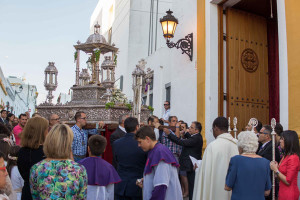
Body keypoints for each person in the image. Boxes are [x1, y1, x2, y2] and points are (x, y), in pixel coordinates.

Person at [30, 124, 88, 199]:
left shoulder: (36, 168)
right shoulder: (79, 169)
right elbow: (81, 197)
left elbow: (35, 196)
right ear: (69, 143)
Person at [193, 117, 239, 200]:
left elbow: (206, 172)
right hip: (233, 189)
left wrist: (198, 169)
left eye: (212, 130)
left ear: (216, 128)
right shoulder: (236, 145)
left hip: (216, 189)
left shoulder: (213, 146)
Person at [135, 126, 182, 200]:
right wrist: (147, 181)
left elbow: (161, 185)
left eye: (140, 142)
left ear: (147, 139)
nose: (139, 145)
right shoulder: (155, 150)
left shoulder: (160, 153)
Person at [225, 131, 271, 200]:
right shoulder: (265, 162)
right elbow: (267, 192)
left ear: (241, 146)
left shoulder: (236, 160)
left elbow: (228, 187)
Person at [166, 121, 203, 200]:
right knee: (191, 184)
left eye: (191, 128)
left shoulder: (196, 138)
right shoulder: (195, 136)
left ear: (197, 130)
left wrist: (169, 134)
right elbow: (190, 138)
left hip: (192, 165)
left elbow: (181, 142)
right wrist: (185, 133)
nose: (189, 128)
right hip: (190, 164)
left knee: (192, 185)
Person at [113, 117, 147, 200]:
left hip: (121, 185)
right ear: (137, 127)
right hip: (137, 186)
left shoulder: (117, 143)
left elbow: (116, 160)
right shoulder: (143, 144)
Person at [79, 135, 121, 200]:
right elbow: (110, 193)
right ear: (104, 150)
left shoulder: (79, 166)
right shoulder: (109, 168)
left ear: (88, 149)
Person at [17, 117, 48, 200]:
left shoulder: (22, 151)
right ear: (41, 132)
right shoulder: (46, 152)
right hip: (43, 193)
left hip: (27, 191)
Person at [270, 130, 300, 200]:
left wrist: (276, 170)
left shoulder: (293, 158)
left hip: (289, 193)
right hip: (283, 190)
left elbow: (288, 181)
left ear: (289, 141)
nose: (280, 141)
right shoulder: (286, 156)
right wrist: (276, 169)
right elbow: (281, 177)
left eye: (282, 139)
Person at [257, 125, 280, 199]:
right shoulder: (262, 146)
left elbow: (266, 166)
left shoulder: (272, 148)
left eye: (260, 133)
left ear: (267, 136)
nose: (258, 134)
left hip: (268, 184)